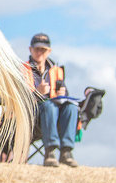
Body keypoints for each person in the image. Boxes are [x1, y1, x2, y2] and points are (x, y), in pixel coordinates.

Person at [26, 33, 79, 168]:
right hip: (33, 116)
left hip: (55, 112)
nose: (39, 53)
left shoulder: (57, 70)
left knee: (71, 107)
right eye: (37, 49)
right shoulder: (23, 70)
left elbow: (64, 92)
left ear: (49, 51)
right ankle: (50, 151)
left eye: (43, 50)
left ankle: (66, 151)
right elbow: (20, 99)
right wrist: (38, 92)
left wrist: (63, 93)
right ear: (30, 49)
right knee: (49, 106)